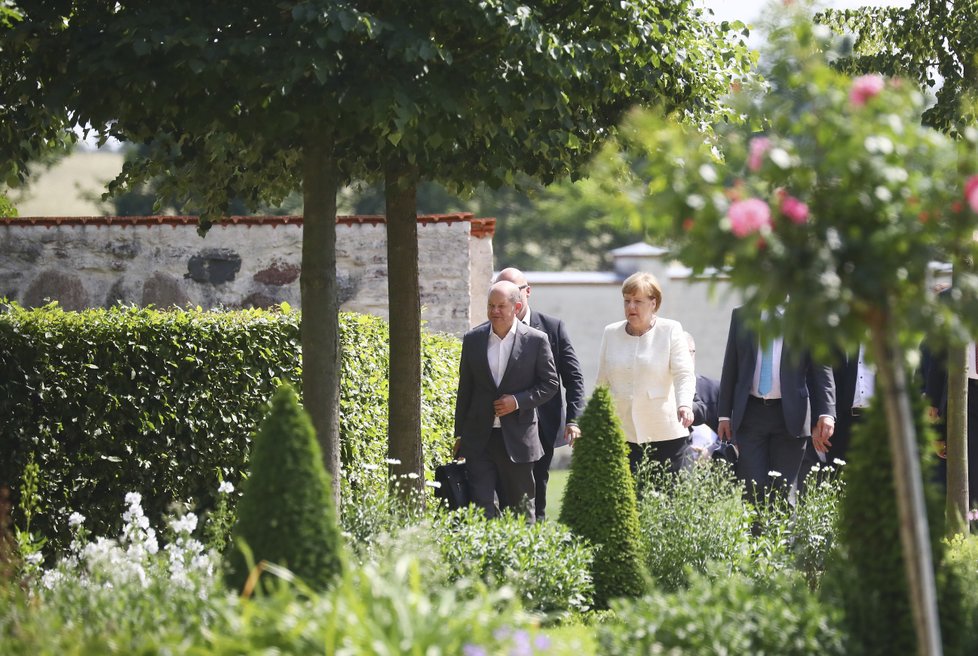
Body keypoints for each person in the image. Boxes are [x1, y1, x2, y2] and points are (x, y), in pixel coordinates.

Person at [454, 280, 559, 521]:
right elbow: (465, 389)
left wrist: (518, 401)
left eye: (501, 306)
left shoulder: (536, 340)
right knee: (482, 508)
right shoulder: (473, 339)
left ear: (517, 306)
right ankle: (485, 557)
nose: (494, 311)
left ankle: (525, 558)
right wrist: (460, 435)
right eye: (491, 305)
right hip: (480, 438)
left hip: (518, 439)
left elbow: (551, 384)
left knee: (521, 510)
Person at [717, 305, 836, 502]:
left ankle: (783, 535)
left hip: (790, 416)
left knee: (783, 494)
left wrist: (826, 413)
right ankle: (757, 533)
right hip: (750, 414)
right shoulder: (742, 315)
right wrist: (724, 415)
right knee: (753, 490)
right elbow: (731, 364)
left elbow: (821, 367)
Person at [494, 267, 586, 521]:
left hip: (542, 425)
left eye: (515, 292)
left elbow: (573, 378)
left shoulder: (552, 328)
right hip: (504, 426)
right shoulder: (490, 331)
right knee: (503, 494)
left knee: (537, 491)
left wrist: (574, 419)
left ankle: (535, 544)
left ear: (527, 292)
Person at [595, 272, 695, 476]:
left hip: (665, 432)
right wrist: (595, 421)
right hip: (623, 433)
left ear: (653, 303)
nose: (631, 307)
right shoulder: (611, 332)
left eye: (638, 301)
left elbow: (684, 373)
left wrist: (684, 404)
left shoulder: (670, 329)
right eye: (627, 301)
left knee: (668, 499)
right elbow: (602, 381)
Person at [827, 344, 875, 465]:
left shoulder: (880, 339)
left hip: (876, 418)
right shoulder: (841, 337)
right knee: (838, 473)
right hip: (843, 421)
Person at [685, 331, 721, 458]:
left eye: (687, 352)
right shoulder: (661, 393)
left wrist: (711, 451)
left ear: (694, 354)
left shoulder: (714, 389)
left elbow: (730, 431)